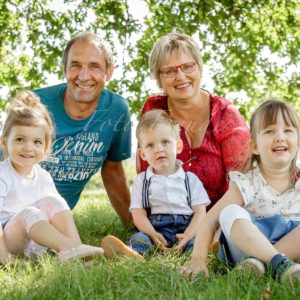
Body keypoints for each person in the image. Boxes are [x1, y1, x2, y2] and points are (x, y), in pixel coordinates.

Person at [180, 99, 300, 282]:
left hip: (287, 247)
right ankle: (279, 264)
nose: (280, 137)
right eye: (269, 131)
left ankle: (266, 265)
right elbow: (209, 221)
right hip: (245, 249)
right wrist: (197, 260)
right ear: (255, 147)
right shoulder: (247, 182)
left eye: (288, 130)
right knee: (230, 212)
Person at [139, 31, 250, 209]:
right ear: (159, 77)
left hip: (221, 215)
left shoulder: (225, 115)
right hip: (168, 216)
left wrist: (208, 225)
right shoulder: (154, 109)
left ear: (199, 67)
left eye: (188, 66)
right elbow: (146, 172)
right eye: (169, 71)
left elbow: (242, 185)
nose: (181, 76)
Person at [34, 32, 131, 225]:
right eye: (75, 65)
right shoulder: (36, 104)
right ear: (64, 68)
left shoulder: (116, 110)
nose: (84, 76)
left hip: (55, 217)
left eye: (94, 66)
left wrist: (133, 225)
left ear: (108, 72)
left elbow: (112, 170)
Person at [0, 91, 104, 265]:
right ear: (5, 142)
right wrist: (4, 257)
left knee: (53, 200)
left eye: (37, 142)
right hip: (10, 242)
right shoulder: (3, 174)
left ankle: (77, 251)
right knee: (29, 213)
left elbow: (56, 213)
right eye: (19, 139)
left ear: (46, 146)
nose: (28, 148)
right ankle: (69, 248)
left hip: (37, 241)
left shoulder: (43, 176)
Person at [100, 110, 210, 257]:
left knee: (196, 242)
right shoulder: (142, 181)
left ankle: (202, 254)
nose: (159, 149)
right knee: (140, 238)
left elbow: (200, 212)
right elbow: (138, 214)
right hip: (156, 229)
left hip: (186, 228)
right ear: (142, 154)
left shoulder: (190, 179)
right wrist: (152, 234)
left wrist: (189, 234)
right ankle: (132, 254)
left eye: (165, 142)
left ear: (178, 146)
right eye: (150, 145)